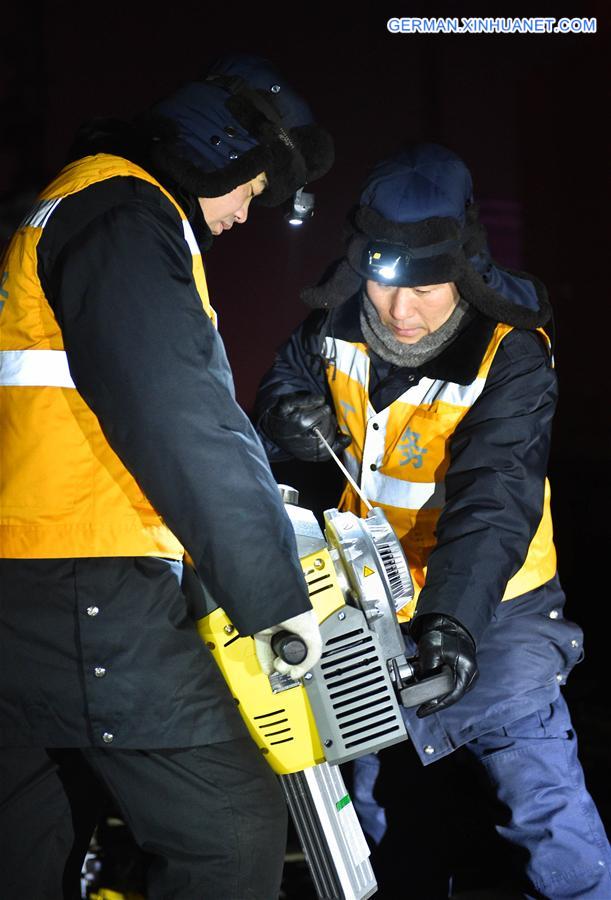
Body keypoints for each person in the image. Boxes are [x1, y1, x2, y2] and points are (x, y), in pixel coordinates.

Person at [0, 53, 333, 900]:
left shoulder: (54, 207)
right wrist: (275, 598)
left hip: (25, 586)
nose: (242, 214)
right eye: (250, 190)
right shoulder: (124, 213)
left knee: (31, 845)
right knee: (227, 834)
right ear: (220, 151)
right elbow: (182, 416)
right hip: (93, 584)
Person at [255, 144, 611, 898]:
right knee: (374, 814)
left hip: (494, 608)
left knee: (540, 804)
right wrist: (288, 415)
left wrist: (452, 623)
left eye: (425, 286)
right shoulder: (337, 322)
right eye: (385, 285)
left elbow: (494, 498)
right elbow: (283, 381)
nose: (400, 311)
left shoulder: (509, 353)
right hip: (371, 607)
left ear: (466, 268)